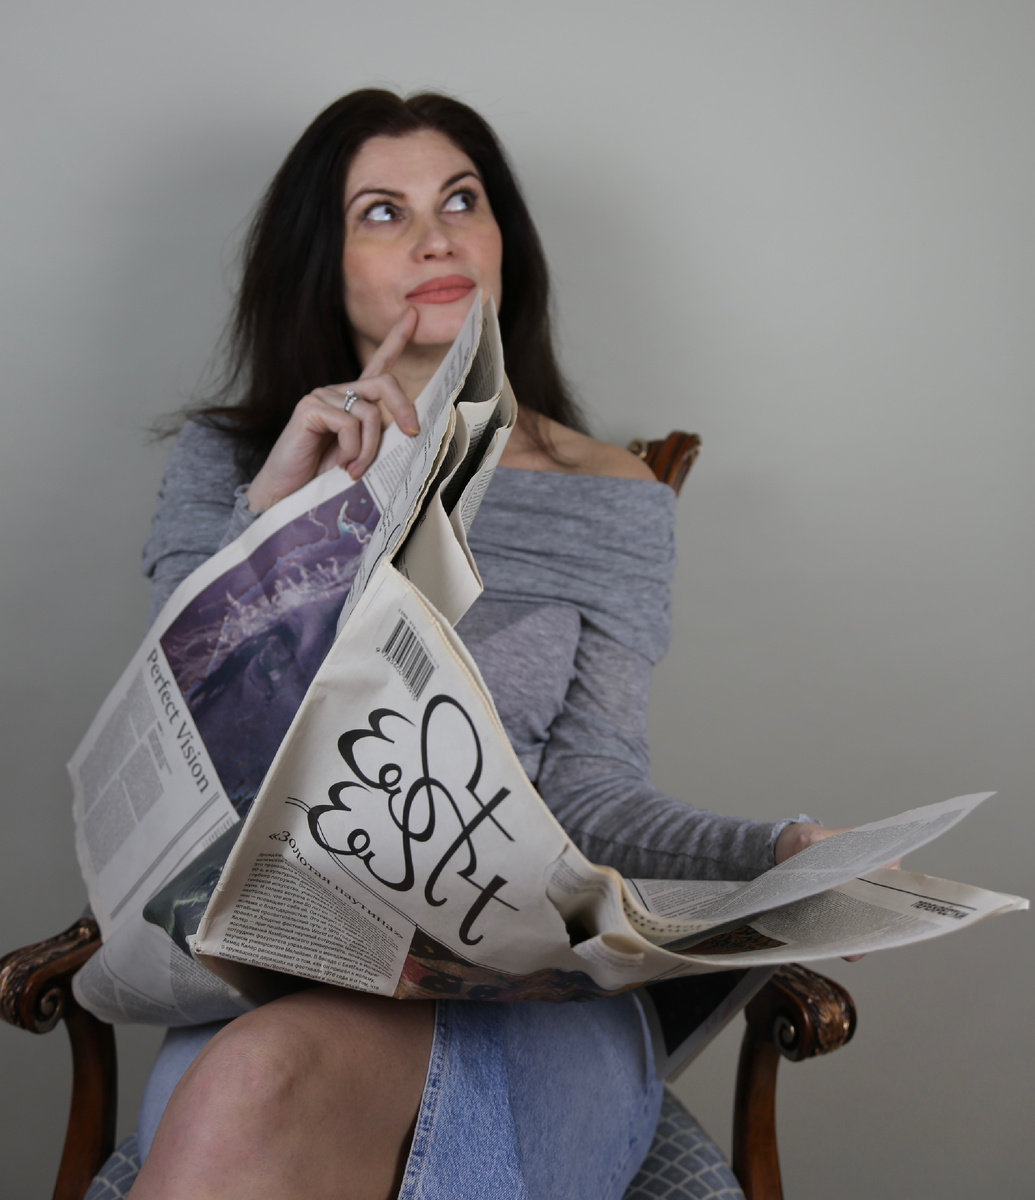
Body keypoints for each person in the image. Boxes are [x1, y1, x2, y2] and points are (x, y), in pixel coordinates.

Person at [125, 89, 835, 1200]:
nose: (436, 237)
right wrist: (277, 520)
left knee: (262, 1083)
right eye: (382, 212)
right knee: (251, 1079)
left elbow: (594, 794)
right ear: (324, 262)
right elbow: (180, 758)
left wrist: (778, 851)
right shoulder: (234, 463)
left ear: (504, 238)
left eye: (461, 200)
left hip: (530, 999)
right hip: (283, 978)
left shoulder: (614, 494)